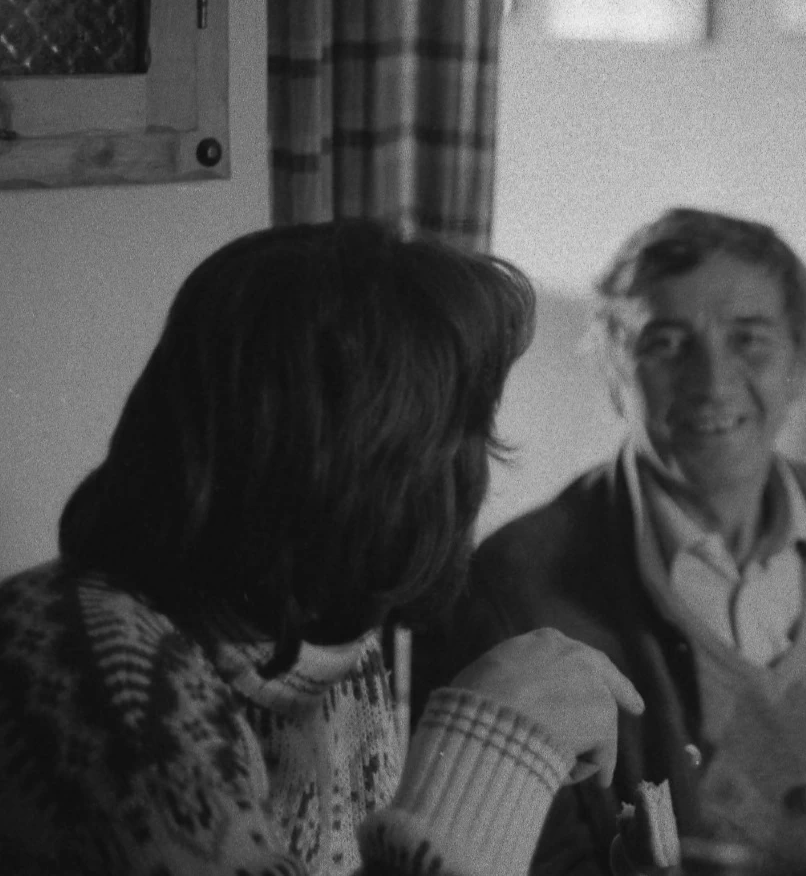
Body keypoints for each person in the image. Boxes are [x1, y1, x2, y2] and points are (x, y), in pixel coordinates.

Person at [0, 221, 645, 876]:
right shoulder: (88, 665)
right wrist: (491, 750)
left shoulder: (324, 644)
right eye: (460, 436)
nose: (475, 477)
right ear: (350, 463)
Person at [422, 207, 806, 876]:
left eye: (749, 341)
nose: (712, 384)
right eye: (667, 343)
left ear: (799, 363)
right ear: (615, 370)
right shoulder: (516, 590)